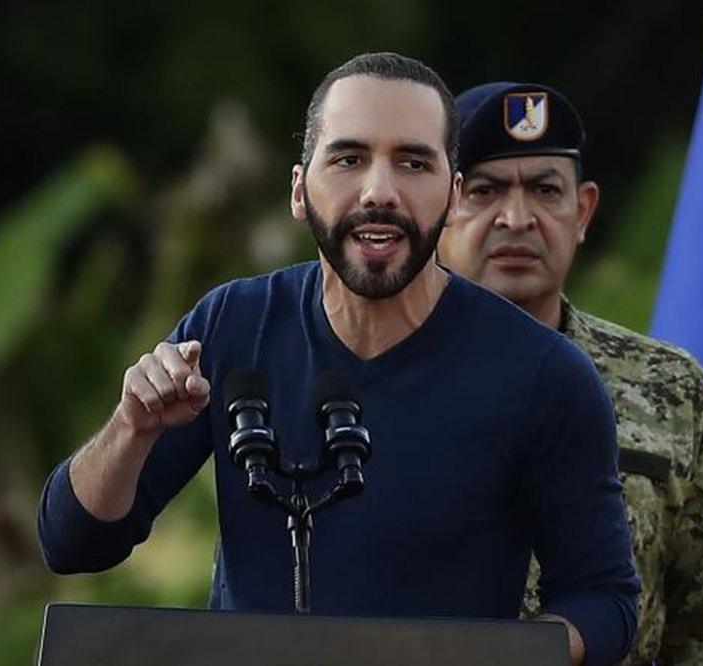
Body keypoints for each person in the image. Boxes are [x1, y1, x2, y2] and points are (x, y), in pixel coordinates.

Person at [36, 54, 639, 665]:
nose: (379, 192)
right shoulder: (232, 326)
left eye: (413, 162)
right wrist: (131, 427)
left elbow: (604, 599)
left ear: (453, 194)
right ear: (300, 190)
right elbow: (73, 543)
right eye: (349, 159)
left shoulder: (544, 375)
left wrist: (482, 656)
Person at [437, 82, 703, 665]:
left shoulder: (671, 393)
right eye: (486, 192)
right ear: (439, 210)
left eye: (545, 191)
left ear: (583, 211)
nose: (517, 218)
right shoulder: (373, 372)